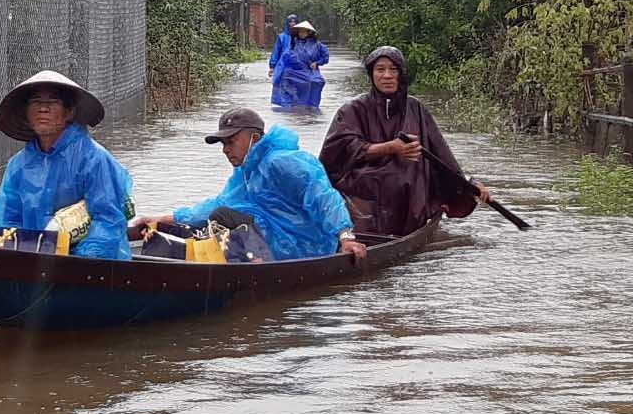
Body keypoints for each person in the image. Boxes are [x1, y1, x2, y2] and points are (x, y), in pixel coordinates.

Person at [132, 108, 367, 262]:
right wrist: (161, 219)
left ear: (254, 138)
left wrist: (346, 237)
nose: (225, 149)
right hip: (274, 237)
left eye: (231, 141)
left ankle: (256, 263)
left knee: (222, 217)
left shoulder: (283, 162)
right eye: (223, 143)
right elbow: (219, 203)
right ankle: (242, 257)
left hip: (306, 245)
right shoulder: (246, 170)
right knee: (215, 216)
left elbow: (324, 197)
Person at [319, 46, 491, 238]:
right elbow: (337, 153)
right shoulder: (352, 110)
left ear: (401, 74)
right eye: (380, 69)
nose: (387, 76)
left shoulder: (416, 109)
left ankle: (405, 228)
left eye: (393, 69)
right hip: (363, 181)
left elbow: (441, 157)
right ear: (371, 74)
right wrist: (390, 148)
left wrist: (470, 184)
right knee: (375, 182)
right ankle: (356, 234)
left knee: (406, 175)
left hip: (407, 185)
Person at [0, 69, 134, 260]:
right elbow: (7, 222)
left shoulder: (94, 160)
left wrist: (79, 262)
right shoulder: (18, 166)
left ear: (69, 112)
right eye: (36, 102)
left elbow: (109, 220)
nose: (43, 109)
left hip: (93, 267)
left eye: (52, 102)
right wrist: (3, 253)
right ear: (26, 112)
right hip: (35, 262)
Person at [271, 19, 329, 110]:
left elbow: (325, 58)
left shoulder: (318, 45)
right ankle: (291, 106)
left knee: (316, 81)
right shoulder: (293, 44)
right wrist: (275, 69)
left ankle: (312, 107)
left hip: (309, 71)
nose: (301, 34)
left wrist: (317, 63)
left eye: (303, 32)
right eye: (300, 32)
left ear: (309, 32)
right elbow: (284, 58)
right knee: (285, 78)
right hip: (295, 71)